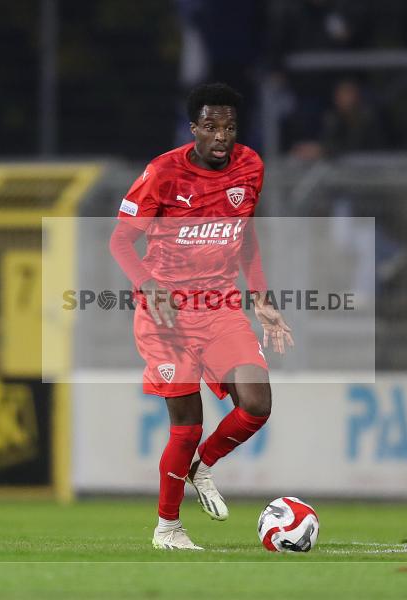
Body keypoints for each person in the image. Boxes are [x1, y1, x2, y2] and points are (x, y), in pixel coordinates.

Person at [109, 83, 294, 550]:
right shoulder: (162, 173)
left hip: (220, 307)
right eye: (211, 126)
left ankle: (200, 465)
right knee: (186, 425)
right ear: (194, 128)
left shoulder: (250, 166)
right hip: (166, 318)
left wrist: (261, 298)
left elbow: (244, 234)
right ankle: (168, 527)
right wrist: (148, 284)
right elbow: (120, 241)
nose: (221, 136)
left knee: (257, 403)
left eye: (229, 127)